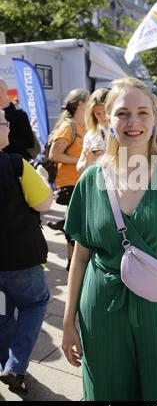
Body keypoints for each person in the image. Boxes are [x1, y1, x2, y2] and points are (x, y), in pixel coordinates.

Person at [62, 77, 157, 401]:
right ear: (107, 118)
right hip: (100, 311)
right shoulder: (91, 180)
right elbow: (82, 257)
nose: (134, 122)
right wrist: (68, 320)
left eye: (143, 112)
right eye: (123, 113)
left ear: (155, 119)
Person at [0, 108, 52, 395]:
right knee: (34, 303)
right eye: (4, 123)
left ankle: (9, 366)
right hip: (21, 260)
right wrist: (40, 178)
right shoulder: (17, 165)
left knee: (2, 314)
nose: (8, 128)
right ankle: (16, 365)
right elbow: (44, 203)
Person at [47, 88, 89, 270]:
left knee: (77, 225)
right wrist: (81, 161)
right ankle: (72, 264)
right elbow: (54, 154)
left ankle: (73, 263)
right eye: (89, 100)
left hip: (82, 181)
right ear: (80, 103)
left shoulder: (85, 126)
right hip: (69, 183)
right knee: (76, 227)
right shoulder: (68, 126)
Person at [77, 88, 109, 174]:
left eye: (105, 112)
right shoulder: (91, 134)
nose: (103, 117)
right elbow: (80, 169)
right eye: (98, 113)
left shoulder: (122, 130)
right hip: (97, 182)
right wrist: (89, 161)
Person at [0, 79, 34, 160]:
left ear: (1, 90)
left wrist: (4, 142)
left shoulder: (19, 114)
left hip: (14, 163)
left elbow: (29, 142)